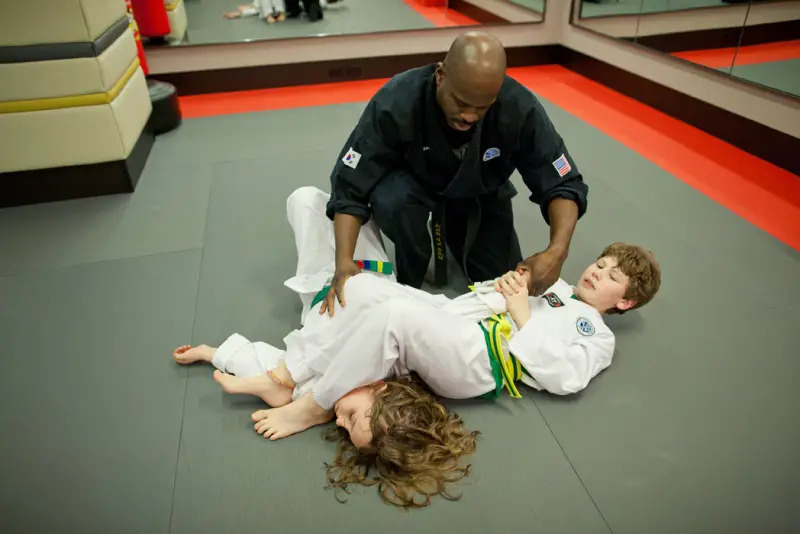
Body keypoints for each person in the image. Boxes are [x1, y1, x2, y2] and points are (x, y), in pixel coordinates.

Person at [322, 30, 589, 317]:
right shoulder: (398, 99)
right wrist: (344, 261)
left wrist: (556, 251)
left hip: (481, 190)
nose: (470, 116)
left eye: (483, 107)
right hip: (413, 186)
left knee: (500, 285)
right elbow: (350, 185)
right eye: (461, 103)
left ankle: (458, 233)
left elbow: (563, 182)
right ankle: (416, 258)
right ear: (440, 75)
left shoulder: (518, 106)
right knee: (392, 200)